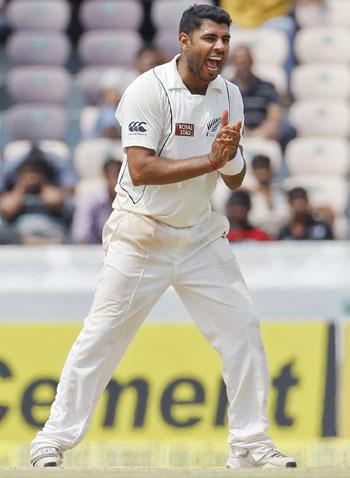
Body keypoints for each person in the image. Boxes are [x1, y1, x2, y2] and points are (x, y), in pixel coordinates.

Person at [30, 4, 296, 470]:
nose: (219, 48)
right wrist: (212, 161)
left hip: (199, 237)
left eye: (224, 40)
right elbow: (141, 168)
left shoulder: (229, 94)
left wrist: (229, 159)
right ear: (185, 41)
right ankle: (51, 440)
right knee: (101, 337)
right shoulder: (147, 90)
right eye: (210, 38)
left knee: (243, 328)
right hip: (141, 235)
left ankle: (250, 445)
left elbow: (234, 177)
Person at [0, 151, 73, 244]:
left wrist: (43, 184)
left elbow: (55, 202)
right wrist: (21, 186)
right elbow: (8, 210)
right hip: (20, 238)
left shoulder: (53, 192)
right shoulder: (13, 194)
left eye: (36, 172)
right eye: (27, 173)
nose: (32, 176)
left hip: (53, 234)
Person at [72, 157, 122, 244]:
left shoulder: (131, 199)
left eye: (117, 176)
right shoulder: (90, 198)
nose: (115, 181)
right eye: (111, 176)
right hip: (93, 250)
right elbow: (81, 234)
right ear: (105, 176)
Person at [248, 154, 289, 238]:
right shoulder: (248, 194)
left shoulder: (281, 191)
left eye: (264, 167)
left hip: (281, 236)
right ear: (253, 171)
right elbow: (253, 219)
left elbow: (285, 216)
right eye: (257, 168)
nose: (261, 172)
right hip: (256, 238)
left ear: (270, 170)